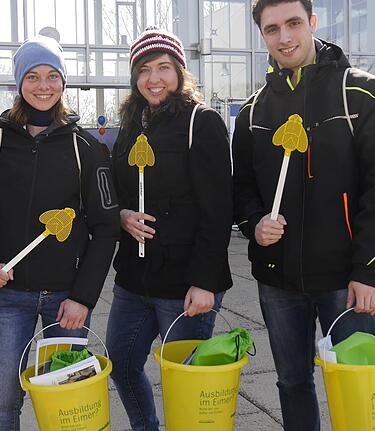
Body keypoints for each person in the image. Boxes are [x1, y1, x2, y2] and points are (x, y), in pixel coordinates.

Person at [232, 1, 375, 429]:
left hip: (346, 281)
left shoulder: (362, 92)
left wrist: (368, 271)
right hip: (278, 281)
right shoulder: (253, 111)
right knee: (292, 383)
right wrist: (255, 224)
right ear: (262, 36)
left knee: (358, 383)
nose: (284, 37)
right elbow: (241, 190)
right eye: (272, 29)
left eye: (293, 24)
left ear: (312, 22)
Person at [0, 35, 119, 431]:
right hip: (5, 298)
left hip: (65, 299)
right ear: (19, 83)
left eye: (52, 76)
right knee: (4, 398)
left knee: (66, 396)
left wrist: (83, 297)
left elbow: (105, 228)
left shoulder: (86, 147)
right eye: (32, 76)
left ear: (64, 83)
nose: (43, 85)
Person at [106, 27, 234, 431]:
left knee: (185, 384)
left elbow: (218, 211)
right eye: (144, 69)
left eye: (163, 67)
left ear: (179, 72)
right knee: (121, 364)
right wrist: (123, 215)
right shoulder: (129, 126)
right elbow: (114, 187)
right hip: (133, 278)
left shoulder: (202, 122)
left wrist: (205, 282)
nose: (154, 78)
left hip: (184, 284)